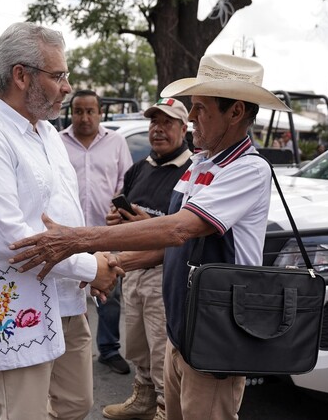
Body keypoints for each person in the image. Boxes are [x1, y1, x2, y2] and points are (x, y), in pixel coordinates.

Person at [8, 54, 292, 420]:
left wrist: (78, 241)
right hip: (184, 328)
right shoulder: (203, 165)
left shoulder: (247, 169)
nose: (190, 118)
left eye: (200, 109)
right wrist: (112, 264)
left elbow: (178, 229)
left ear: (236, 112)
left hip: (215, 335)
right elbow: (178, 244)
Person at [0, 22, 123, 420]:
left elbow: (67, 216)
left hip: (65, 297)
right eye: (58, 75)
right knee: (24, 413)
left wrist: (89, 268)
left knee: (76, 404)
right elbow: (12, 241)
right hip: (16, 301)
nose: (67, 86)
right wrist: (90, 266)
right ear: (21, 75)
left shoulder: (46, 133)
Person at [102, 97, 192, 420]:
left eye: (167, 123)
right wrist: (119, 222)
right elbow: (129, 221)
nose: (158, 130)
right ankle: (143, 398)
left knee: (160, 348)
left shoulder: (192, 172)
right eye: (154, 122)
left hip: (163, 274)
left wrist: (144, 226)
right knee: (137, 344)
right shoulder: (139, 169)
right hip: (132, 270)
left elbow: (182, 232)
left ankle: (167, 410)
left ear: (184, 128)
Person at [60, 89, 133, 375]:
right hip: (69, 234)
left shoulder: (116, 142)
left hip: (107, 233)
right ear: (72, 113)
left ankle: (108, 349)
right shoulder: (57, 142)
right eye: (79, 111)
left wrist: (120, 209)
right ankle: (69, 350)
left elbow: (125, 183)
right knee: (69, 287)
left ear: (100, 113)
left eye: (90, 111)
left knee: (108, 291)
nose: (84, 117)